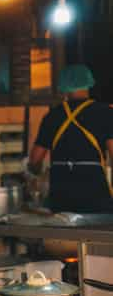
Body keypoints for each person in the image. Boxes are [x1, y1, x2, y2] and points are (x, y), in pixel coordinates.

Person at [29, 64, 113, 213]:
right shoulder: (106, 113)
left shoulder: (52, 116)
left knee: (60, 235)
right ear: (89, 83)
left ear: (63, 88)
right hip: (95, 196)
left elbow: (35, 160)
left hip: (61, 198)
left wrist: (35, 172)